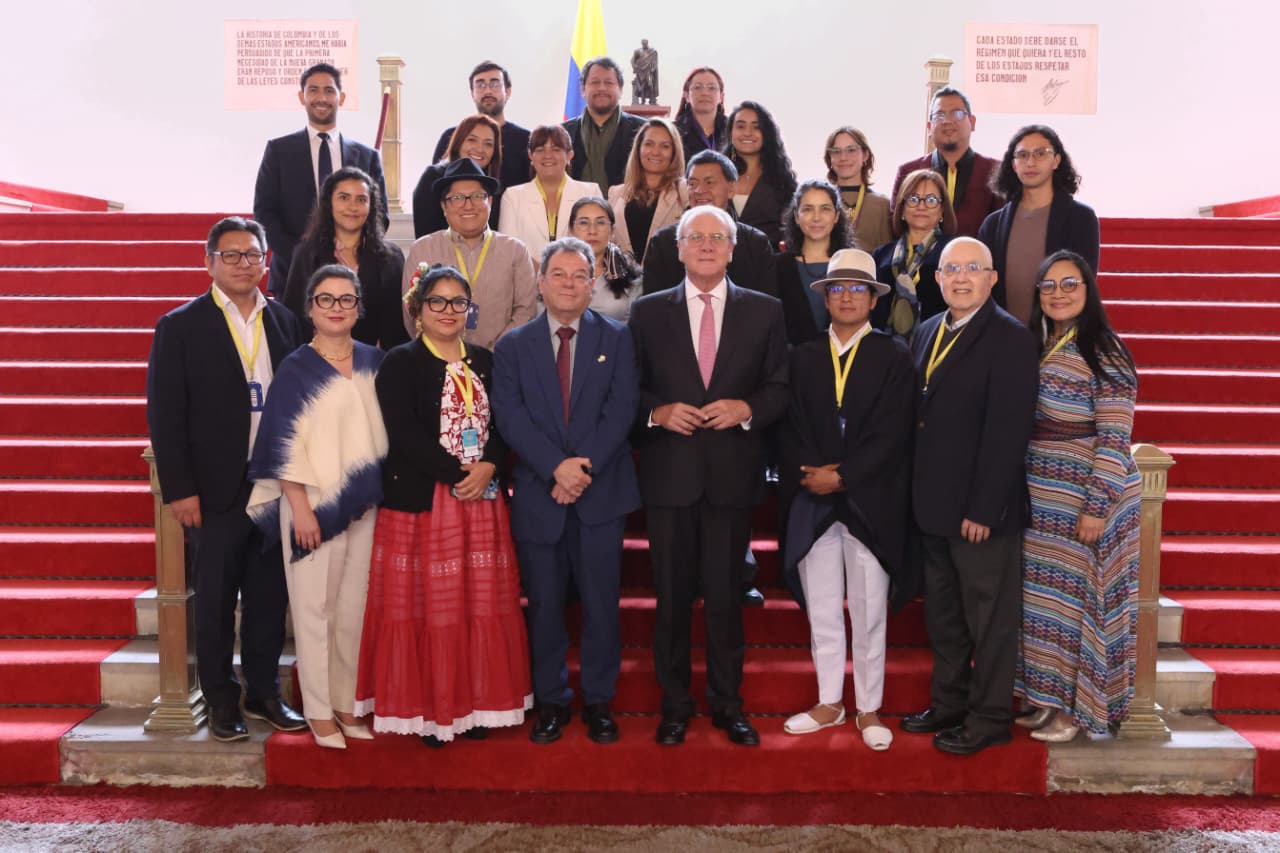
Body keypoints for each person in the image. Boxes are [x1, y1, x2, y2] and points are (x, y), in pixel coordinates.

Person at [628, 205, 789, 747]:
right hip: (669, 478)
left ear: (732, 248)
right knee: (672, 601)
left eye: (716, 237)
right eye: (694, 237)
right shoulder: (648, 312)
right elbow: (627, 388)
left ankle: (727, 705)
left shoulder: (765, 311)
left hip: (730, 478)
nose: (705, 245)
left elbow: (780, 387)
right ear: (678, 248)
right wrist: (657, 413)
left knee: (724, 601)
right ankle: (675, 707)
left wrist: (747, 408)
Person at [355, 264, 532, 743]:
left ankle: (477, 706)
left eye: (458, 302)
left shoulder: (486, 360)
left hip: (482, 500)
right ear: (418, 308)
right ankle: (434, 712)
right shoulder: (400, 362)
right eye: (437, 301)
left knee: (479, 605)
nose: (448, 310)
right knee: (432, 609)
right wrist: (459, 475)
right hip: (426, 502)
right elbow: (404, 433)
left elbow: (505, 422)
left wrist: (489, 465)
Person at [145, 217, 306, 742]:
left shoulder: (284, 321)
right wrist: (180, 489)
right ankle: (220, 699)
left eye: (252, 254)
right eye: (231, 255)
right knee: (214, 600)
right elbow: (166, 414)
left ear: (266, 261)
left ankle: (263, 692)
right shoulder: (181, 325)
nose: (243, 263)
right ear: (209, 262)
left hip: (274, 483)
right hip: (214, 488)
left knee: (268, 596)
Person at [492, 238, 641, 745]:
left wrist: (581, 469)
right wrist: (556, 468)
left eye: (580, 275)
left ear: (593, 284)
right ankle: (551, 702)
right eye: (559, 274)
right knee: (545, 606)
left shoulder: (618, 339)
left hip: (601, 496)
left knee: (601, 605)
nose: (569, 284)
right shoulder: (513, 346)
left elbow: (621, 410)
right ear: (541, 282)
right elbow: (510, 416)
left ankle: (598, 701)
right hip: (540, 494)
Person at [900, 237, 1039, 756]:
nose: (961, 278)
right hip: (933, 507)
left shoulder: (1010, 337)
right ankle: (949, 704)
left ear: (992, 278)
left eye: (973, 268)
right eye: (951, 269)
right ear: (937, 278)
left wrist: (984, 507)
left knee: (989, 622)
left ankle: (990, 717)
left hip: (981, 514)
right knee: (944, 619)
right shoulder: (927, 330)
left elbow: (1008, 431)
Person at [778, 249, 914, 751]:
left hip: (870, 500)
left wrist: (845, 477)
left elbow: (894, 432)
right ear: (826, 297)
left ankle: (869, 706)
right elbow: (787, 425)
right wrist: (813, 475)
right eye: (838, 288)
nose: (848, 297)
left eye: (859, 289)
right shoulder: (802, 356)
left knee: (869, 609)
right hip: (812, 498)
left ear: (874, 300)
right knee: (822, 608)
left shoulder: (894, 355)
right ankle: (829, 701)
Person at [246, 265, 388, 749]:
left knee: (352, 612)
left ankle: (347, 704)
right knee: (314, 611)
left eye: (346, 299)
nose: (336, 308)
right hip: (309, 505)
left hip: (363, 505)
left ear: (358, 308)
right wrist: (300, 507)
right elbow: (282, 441)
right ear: (310, 308)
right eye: (326, 299)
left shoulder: (373, 360)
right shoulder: (296, 368)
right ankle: (319, 710)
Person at [1016, 250, 1141, 743]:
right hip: (1042, 498)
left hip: (1086, 499)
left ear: (1089, 290)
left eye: (1070, 284)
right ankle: (1047, 700)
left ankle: (1076, 712)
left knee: (1077, 605)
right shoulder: (1038, 341)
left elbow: (1115, 438)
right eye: (1048, 285)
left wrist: (1097, 506)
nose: (1058, 293)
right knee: (1045, 602)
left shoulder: (1105, 350)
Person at [254, 63, 388, 297]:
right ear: (302, 97)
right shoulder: (279, 151)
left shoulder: (367, 156)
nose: (321, 98)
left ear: (341, 98)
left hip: (354, 275)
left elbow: (380, 215)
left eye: (329, 90)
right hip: (292, 274)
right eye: (313, 90)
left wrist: (353, 254)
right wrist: (302, 256)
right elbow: (265, 212)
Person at [401, 158, 537, 350]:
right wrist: (444, 352)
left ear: (490, 201)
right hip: (438, 359)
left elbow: (526, 311)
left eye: (478, 196)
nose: (468, 205)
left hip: (501, 360)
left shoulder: (515, 251)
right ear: (444, 206)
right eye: (457, 198)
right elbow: (412, 313)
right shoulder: (422, 250)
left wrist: (494, 354)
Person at [978, 125, 1100, 326]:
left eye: (1040, 154)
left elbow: (1083, 284)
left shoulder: (1081, 218)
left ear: (1056, 160)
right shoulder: (993, 225)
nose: (1030, 162)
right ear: (1013, 164)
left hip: (1059, 332)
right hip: (1003, 334)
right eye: (1022, 155)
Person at [281, 166, 410, 350]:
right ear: (329, 203)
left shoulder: (392, 258)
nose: (353, 207)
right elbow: (294, 318)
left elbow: (396, 325)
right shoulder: (307, 254)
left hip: (376, 360)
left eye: (361, 199)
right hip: (318, 358)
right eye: (344, 198)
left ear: (371, 206)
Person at [642, 150, 777, 298]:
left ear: (732, 189)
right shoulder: (663, 242)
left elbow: (766, 306)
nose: (699, 191)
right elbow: (652, 305)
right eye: (692, 184)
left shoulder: (756, 244)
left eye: (709, 182)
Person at [891, 86, 1002, 239]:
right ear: (929, 127)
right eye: (939, 115)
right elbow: (896, 229)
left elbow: (1002, 230)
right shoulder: (908, 171)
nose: (947, 121)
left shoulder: (994, 171)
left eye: (957, 114)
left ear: (972, 122)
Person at [871, 169, 958, 336]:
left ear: (942, 210)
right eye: (913, 199)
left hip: (937, 341)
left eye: (931, 200)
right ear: (902, 209)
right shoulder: (881, 255)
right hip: (884, 345)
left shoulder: (954, 251)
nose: (921, 206)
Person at [498, 125, 600, 266]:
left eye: (556, 149)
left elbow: (597, 245)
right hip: (527, 277)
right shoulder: (513, 196)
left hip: (580, 276)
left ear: (569, 155)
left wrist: (566, 273)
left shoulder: (590, 192)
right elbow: (510, 249)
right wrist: (545, 274)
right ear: (530, 156)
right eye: (540, 150)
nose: (547, 155)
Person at [776, 179, 857, 345]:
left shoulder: (853, 264)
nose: (816, 217)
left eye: (825, 209)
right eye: (808, 209)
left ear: (836, 216)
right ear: (796, 216)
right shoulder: (778, 266)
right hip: (790, 359)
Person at [431, 61, 532, 192]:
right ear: (472, 93)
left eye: (495, 84)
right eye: (480, 85)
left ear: (508, 92)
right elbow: (435, 187)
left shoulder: (526, 139)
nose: (487, 91)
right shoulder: (451, 137)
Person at [607, 118, 689, 261]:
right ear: (639, 148)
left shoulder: (685, 191)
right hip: (623, 275)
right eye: (649, 144)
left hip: (668, 274)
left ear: (674, 152)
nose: (655, 152)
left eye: (665, 146)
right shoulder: (616, 193)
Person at [563, 57, 647, 195]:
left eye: (608, 83)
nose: (601, 88)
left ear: (620, 89)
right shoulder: (564, 133)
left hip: (629, 206)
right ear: (583, 89)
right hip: (573, 207)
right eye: (595, 82)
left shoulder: (642, 130)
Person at [413, 115, 504, 239]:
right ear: (459, 141)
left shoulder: (493, 185)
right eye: (472, 140)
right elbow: (425, 236)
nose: (479, 149)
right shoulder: (433, 177)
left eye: (488, 144)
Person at [723, 100, 798, 250]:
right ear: (731, 132)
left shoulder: (783, 181)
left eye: (756, 127)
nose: (747, 132)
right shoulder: (717, 174)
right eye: (740, 126)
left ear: (767, 134)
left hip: (769, 259)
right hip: (718, 259)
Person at [568, 196, 644, 322]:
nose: (592, 231)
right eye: (584, 223)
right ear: (571, 230)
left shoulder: (630, 272)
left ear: (612, 231)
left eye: (601, 223)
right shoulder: (555, 269)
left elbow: (636, 323)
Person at [823, 126, 892, 253]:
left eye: (851, 150)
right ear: (830, 158)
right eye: (836, 151)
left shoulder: (883, 205)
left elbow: (888, 256)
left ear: (865, 155)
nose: (843, 157)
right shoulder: (820, 203)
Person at [672, 67, 727, 159]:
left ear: (721, 97)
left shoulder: (733, 130)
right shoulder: (673, 132)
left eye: (712, 88)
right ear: (686, 95)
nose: (705, 93)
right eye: (697, 87)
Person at [631, 39, 659, 105]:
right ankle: (643, 101)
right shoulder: (638, 51)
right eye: (643, 43)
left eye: (645, 43)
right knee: (642, 88)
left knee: (650, 85)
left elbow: (655, 61)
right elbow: (632, 60)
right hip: (640, 72)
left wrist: (653, 68)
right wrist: (635, 67)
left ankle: (652, 100)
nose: (644, 45)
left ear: (647, 43)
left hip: (649, 71)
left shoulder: (652, 51)